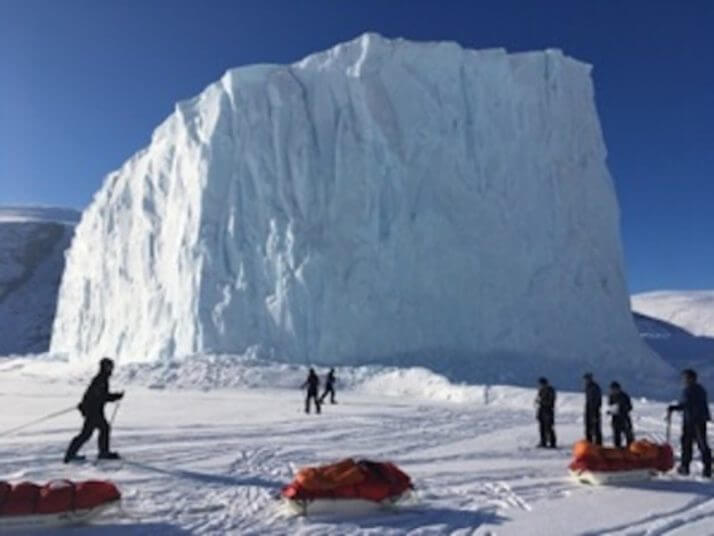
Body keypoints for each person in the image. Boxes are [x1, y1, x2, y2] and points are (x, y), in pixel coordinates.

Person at [64, 357, 124, 463]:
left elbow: (92, 394)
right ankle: (102, 453)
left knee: (89, 433)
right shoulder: (100, 379)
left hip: (94, 410)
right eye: (110, 366)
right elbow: (100, 396)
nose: (111, 369)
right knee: (100, 430)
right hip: (94, 411)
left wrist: (83, 405)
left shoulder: (101, 378)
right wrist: (115, 396)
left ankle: (71, 454)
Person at [668, 369, 712, 477]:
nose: (683, 380)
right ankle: (707, 469)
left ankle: (685, 467)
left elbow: (686, 404)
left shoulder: (688, 390)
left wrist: (674, 408)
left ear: (690, 379)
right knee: (702, 444)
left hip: (691, 421)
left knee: (687, 444)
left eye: (685, 378)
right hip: (700, 420)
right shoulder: (701, 389)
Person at [608, 381, 634, 448]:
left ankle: (631, 449)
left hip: (624, 418)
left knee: (628, 435)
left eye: (614, 389)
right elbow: (610, 406)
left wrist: (623, 409)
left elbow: (630, 407)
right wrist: (611, 411)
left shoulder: (624, 396)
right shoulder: (611, 397)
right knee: (616, 436)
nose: (613, 391)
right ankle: (617, 450)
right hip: (615, 419)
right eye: (612, 389)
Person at [535, 377, 557, 448]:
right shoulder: (541, 390)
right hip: (542, 410)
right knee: (542, 427)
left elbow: (551, 401)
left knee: (549, 427)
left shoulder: (550, 390)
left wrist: (541, 402)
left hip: (548, 410)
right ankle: (543, 441)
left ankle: (552, 442)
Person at [583, 373, 603, 445]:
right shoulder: (587, 387)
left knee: (596, 428)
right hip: (588, 409)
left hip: (594, 410)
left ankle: (598, 444)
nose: (586, 381)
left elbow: (598, 400)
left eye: (587, 379)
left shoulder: (595, 387)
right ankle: (589, 443)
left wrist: (595, 410)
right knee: (588, 428)